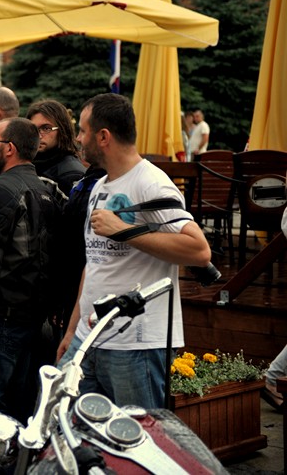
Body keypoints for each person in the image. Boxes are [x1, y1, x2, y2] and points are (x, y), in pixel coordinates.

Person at [57, 93, 211, 409]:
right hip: (89, 336)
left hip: (135, 344)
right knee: (68, 425)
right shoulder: (100, 186)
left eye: (83, 131)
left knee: (139, 434)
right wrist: (73, 329)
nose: (78, 139)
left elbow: (199, 250)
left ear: (103, 137)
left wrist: (124, 231)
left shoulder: (151, 183)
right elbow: (95, 262)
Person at [0, 118, 64, 474]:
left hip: (0, 316)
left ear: (10, 148)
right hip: (33, 317)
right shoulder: (45, 187)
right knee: (20, 407)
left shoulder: (0, 188)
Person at [26, 99, 86, 195]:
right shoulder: (28, 164)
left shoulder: (71, 174)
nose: (39, 135)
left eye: (46, 128)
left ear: (62, 129)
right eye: (34, 129)